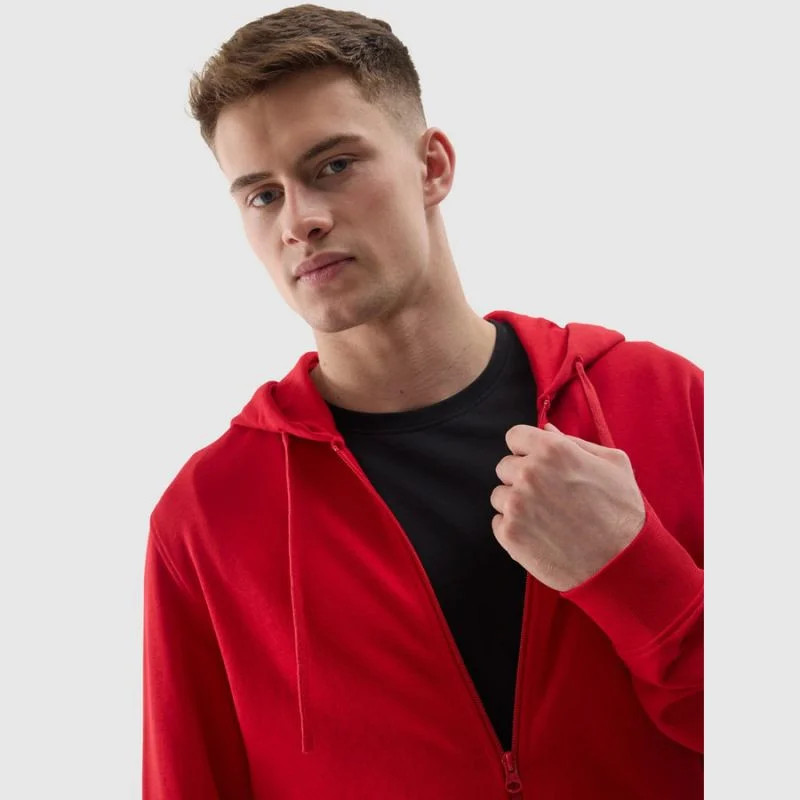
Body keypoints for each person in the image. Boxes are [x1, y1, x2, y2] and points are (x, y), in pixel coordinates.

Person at [142, 4, 704, 798]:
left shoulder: (666, 402)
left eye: (334, 165)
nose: (302, 220)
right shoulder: (207, 519)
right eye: (262, 196)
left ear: (432, 166)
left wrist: (635, 574)